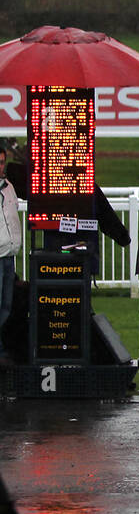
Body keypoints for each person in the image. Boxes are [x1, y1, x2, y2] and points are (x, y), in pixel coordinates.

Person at [0, 144, 19, 363]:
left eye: (3, 162)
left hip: (9, 255)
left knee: (6, 307)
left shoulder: (9, 187)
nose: (1, 167)